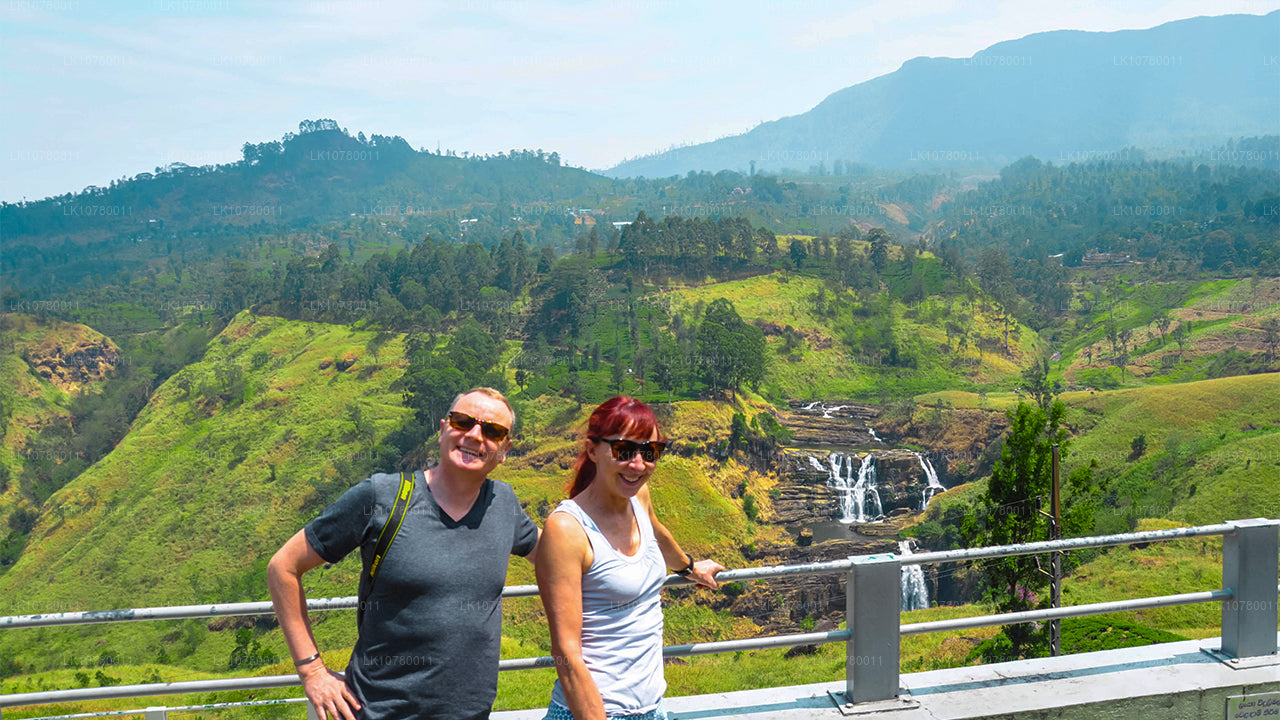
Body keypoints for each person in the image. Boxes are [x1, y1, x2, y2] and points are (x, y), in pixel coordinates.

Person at [267, 387, 538, 720]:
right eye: (463, 421)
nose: (474, 435)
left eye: (492, 431)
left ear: (505, 450)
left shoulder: (504, 503)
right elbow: (283, 567)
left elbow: (562, 556)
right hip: (377, 711)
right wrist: (312, 671)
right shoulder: (382, 496)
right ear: (442, 429)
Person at [537, 396, 725, 720]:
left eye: (649, 452)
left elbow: (657, 533)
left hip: (652, 708)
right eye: (623, 450)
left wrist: (690, 568)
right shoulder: (567, 529)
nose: (637, 464)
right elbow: (566, 653)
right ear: (593, 450)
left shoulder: (638, 496)